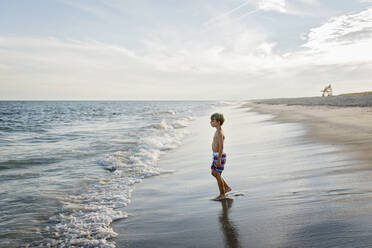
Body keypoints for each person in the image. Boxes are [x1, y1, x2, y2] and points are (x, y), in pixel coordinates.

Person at [210, 112, 231, 201]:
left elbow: (221, 146)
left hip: (219, 156)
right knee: (214, 173)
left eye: (212, 121)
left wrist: (218, 159)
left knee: (218, 174)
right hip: (216, 156)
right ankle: (226, 187)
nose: (211, 122)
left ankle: (222, 194)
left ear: (218, 122)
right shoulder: (217, 131)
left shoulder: (219, 132)